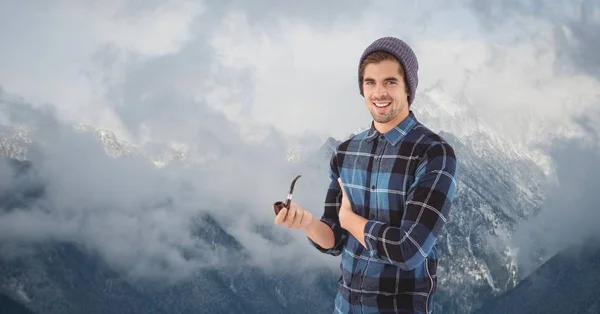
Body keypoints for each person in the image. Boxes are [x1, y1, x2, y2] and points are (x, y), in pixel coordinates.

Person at [274, 36, 458, 314]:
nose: (379, 92)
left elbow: (408, 251)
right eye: (370, 82)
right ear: (361, 88)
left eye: (390, 82)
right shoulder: (346, 152)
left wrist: (351, 220)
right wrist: (307, 222)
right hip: (344, 307)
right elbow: (334, 239)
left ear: (408, 87)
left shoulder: (434, 154)